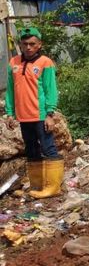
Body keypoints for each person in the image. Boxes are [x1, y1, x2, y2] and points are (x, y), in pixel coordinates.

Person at [4, 27, 63, 199]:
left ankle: (54, 187)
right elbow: (10, 90)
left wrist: (50, 114)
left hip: (41, 115)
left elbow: (51, 89)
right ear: (20, 45)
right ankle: (37, 186)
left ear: (39, 45)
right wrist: (10, 112)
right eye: (25, 44)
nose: (28, 47)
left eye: (32, 44)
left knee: (48, 147)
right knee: (31, 149)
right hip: (23, 116)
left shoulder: (45, 63)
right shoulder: (13, 62)